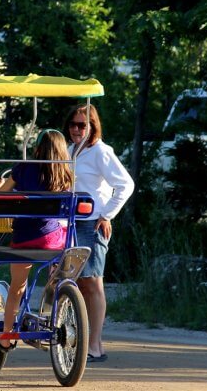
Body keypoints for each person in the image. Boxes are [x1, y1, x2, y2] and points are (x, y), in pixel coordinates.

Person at [62, 103, 134, 363]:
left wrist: (106, 215)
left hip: (91, 223)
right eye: (73, 124)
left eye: (82, 125)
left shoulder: (100, 151)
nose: (76, 129)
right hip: (70, 224)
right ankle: (91, 344)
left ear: (92, 126)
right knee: (77, 284)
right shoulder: (70, 151)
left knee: (92, 283)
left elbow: (125, 184)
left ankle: (93, 345)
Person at [0, 129, 73, 352]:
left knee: (17, 287)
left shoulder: (23, 168)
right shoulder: (65, 174)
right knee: (63, 236)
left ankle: (6, 336)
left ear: (37, 148)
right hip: (51, 240)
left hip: (23, 239)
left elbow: (1, 195)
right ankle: (54, 286)